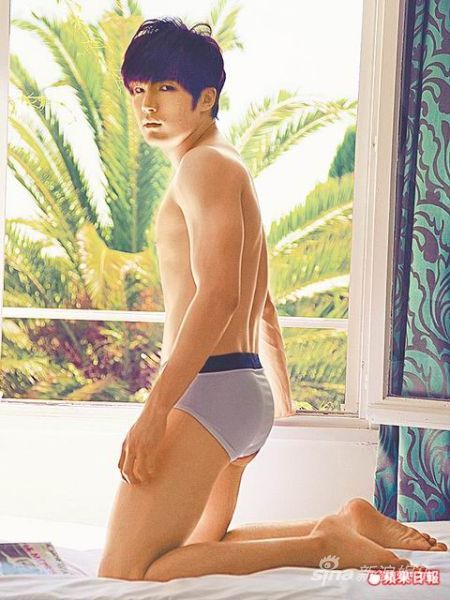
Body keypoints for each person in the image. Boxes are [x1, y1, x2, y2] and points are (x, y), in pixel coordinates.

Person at [97, 17, 447, 582]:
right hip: (237, 386)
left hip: (208, 390)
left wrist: (154, 412)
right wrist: (274, 391)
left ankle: (323, 546)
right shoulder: (225, 162)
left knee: (126, 572)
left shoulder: (203, 166)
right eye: (138, 90)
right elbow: (260, 298)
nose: (147, 105)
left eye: (165, 88)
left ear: (206, 98)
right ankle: (339, 523)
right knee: (204, 547)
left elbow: (219, 295)